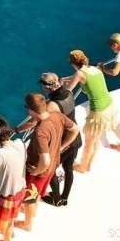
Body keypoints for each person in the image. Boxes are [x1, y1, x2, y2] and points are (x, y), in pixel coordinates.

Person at [15, 93, 78, 232]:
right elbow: (75, 129)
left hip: (39, 170)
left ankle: (27, 224)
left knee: (30, 197)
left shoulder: (40, 132)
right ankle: (32, 212)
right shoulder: (57, 115)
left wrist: (37, 171)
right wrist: (61, 147)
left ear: (31, 110)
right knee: (35, 194)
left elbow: (45, 160)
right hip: (53, 165)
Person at [62, 50, 115, 172]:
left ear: (73, 63)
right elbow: (82, 77)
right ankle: (89, 164)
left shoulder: (79, 74)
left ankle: (83, 166)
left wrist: (62, 85)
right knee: (95, 138)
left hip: (98, 111)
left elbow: (68, 91)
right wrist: (66, 78)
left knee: (89, 141)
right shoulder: (94, 68)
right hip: (109, 106)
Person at [38, 72, 81, 206]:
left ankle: (56, 199)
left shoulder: (51, 105)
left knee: (49, 169)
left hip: (64, 141)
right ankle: (65, 197)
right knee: (68, 168)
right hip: (76, 138)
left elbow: (41, 121)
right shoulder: (69, 93)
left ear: (47, 87)